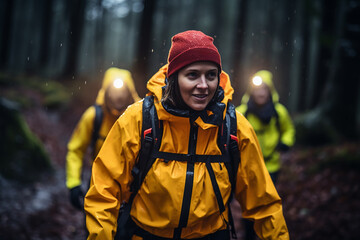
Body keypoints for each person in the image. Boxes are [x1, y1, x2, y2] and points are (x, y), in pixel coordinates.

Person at [85, 30, 289, 240]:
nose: (203, 85)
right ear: (174, 77)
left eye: (211, 75)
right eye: (192, 75)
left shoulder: (235, 127)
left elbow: (263, 204)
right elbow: (104, 192)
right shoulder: (138, 120)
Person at [66, 67, 140, 210]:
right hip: (97, 185)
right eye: (114, 90)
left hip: (130, 192)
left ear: (130, 92)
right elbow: (75, 150)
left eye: (123, 91)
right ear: (106, 91)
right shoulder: (93, 116)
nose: (118, 96)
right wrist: (74, 183)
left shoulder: (140, 119)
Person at [236, 70, 295, 240]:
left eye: (264, 89)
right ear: (251, 91)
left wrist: (286, 142)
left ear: (270, 91)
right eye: (257, 89)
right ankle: (249, 234)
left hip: (271, 166)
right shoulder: (241, 113)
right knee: (248, 204)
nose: (260, 93)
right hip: (247, 168)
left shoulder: (279, 112)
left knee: (267, 203)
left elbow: (288, 129)